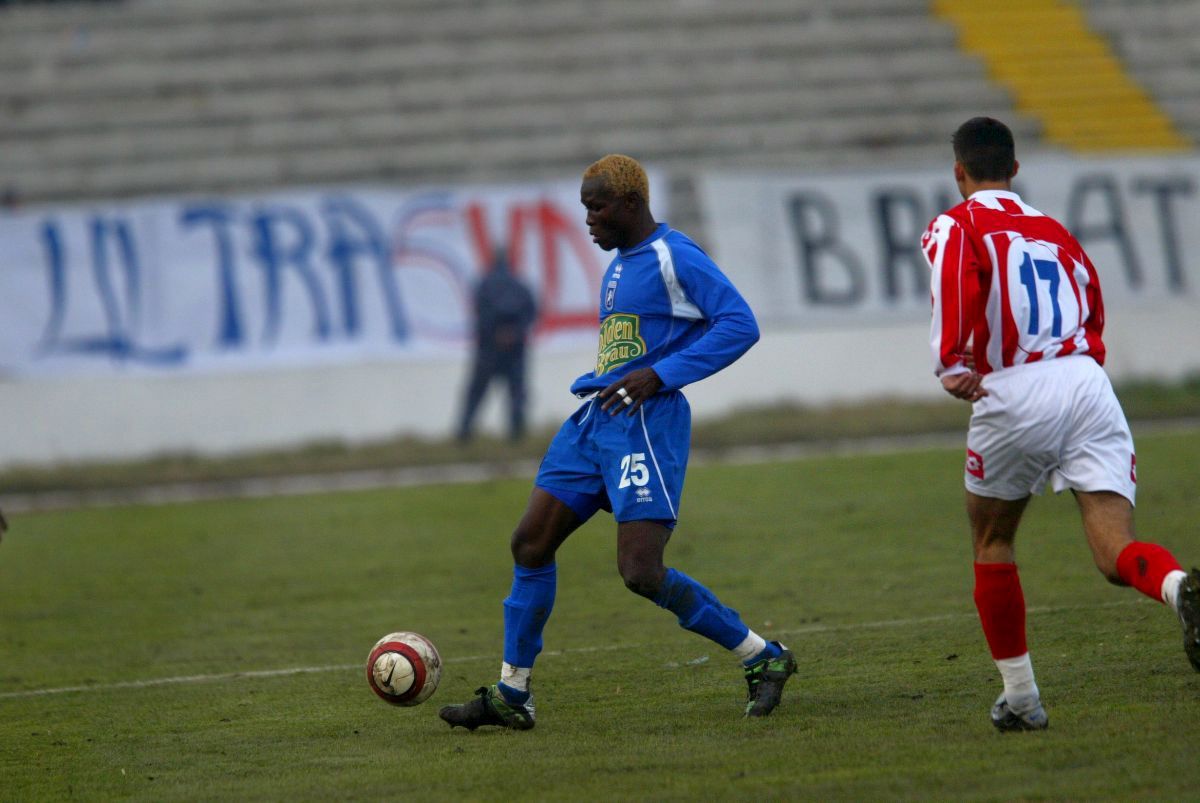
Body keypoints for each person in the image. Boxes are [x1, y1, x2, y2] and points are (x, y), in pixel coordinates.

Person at [439, 154, 797, 730]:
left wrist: (661, 374)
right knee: (530, 544)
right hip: (596, 420)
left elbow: (739, 323)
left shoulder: (674, 256)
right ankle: (512, 694)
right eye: (585, 208)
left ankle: (762, 656)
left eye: (598, 207)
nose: (589, 220)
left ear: (631, 204)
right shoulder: (619, 264)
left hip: (646, 424)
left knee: (641, 571)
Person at [921, 116, 1200, 732]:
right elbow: (1092, 305)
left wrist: (952, 363)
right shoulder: (1056, 231)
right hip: (1086, 381)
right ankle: (1179, 587)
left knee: (993, 541)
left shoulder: (958, 223)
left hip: (1015, 387)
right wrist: (1080, 367)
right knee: (1114, 551)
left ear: (959, 172)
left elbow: (954, 279)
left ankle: (1021, 698)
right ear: (1016, 169)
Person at [456, 247, 538, 443]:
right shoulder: (520, 286)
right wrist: (514, 333)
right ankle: (517, 435)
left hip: (489, 349)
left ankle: (464, 434)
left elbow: (480, 314)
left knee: (476, 393)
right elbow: (531, 313)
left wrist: (495, 334)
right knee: (516, 393)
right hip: (515, 349)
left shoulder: (484, 285)